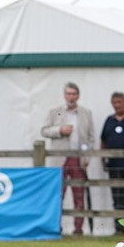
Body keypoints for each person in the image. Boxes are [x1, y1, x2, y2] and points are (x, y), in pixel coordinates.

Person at [41, 82, 96, 235]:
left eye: (74, 94)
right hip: (60, 159)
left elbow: (90, 137)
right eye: (68, 94)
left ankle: (78, 228)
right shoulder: (55, 112)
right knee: (58, 193)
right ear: (64, 95)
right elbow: (44, 130)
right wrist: (59, 130)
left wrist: (86, 155)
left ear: (78, 95)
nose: (71, 97)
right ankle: (55, 227)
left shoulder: (86, 113)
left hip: (78, 157)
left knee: (79, 194)